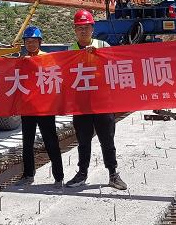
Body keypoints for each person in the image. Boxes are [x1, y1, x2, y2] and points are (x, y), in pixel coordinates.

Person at [65, 10, 127, 190]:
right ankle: (82, 173)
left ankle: (113, 174)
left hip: (103, 102)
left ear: (92, 28)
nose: (83, 31)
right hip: (82, 104)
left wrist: (98, 54)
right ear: (75, 30)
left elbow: (115, 64)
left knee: (107, 140)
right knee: (83, 141)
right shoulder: (70, 51)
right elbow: (66, 75)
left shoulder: (102, 45)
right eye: (79, 28)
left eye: (86, 27)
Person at [17, 26, 64, 188]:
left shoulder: (47, 58)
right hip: (28, 108)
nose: (30, 44)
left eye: (34, 41)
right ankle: (28, 174)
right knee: (27, 142)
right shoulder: (22, 60)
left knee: (51, 141)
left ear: (40, 42)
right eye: (27, 41)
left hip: (45, 108)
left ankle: (59, 177)